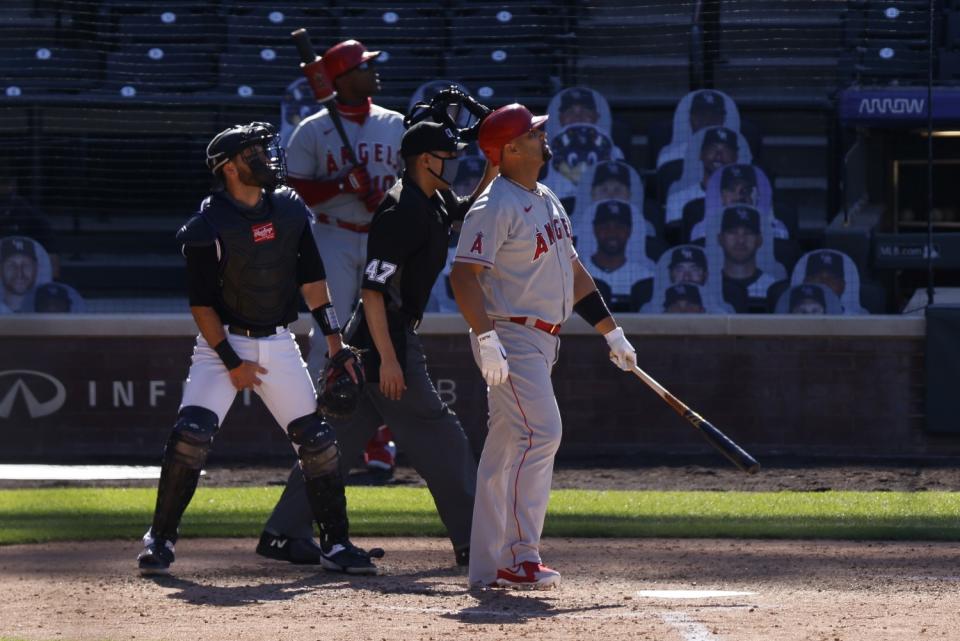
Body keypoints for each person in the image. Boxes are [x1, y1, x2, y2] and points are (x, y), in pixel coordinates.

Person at [136, 122, 379, 576]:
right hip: (221, 345)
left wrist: (334, 341)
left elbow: (313, 282)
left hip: (278, 341)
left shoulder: (289, 209)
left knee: (319, 443)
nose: (266, 159)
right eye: (253, 154)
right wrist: (232, 363)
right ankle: (160, 539)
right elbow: (202, 305)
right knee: (191, 435)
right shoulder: (207, 226)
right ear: (229, 168)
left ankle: (336, 545)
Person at [259, 121, 498, 568]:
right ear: (425, 159)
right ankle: (474, 541)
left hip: (376, 338)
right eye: (448, 155)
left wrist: (492, 168)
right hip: (383, 337)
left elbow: (462, 211)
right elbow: (372, 291)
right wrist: (388, 360)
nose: (455, 161)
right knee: (441, 435)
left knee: (336, 445)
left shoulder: (432, 197)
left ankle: (281, 533)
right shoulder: (400, 211)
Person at [449, 103, 637, 589]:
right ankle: (519, 555)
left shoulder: (547, 196)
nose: (541, 135)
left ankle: (488, 567)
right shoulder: (493, 205)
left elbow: (573, 272)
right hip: (510, 335)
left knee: (504, 451)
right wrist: (487, 339)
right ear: (509, 149)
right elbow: (463, 276)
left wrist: (610, 332)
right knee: (543, 434)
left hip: (543, 338)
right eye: (531, 132)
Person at [283, 39, 406, 476]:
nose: (373, 71)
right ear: (340, 78)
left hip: (381, 241)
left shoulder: (395, 124)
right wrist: (341, 186)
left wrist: (385, 196)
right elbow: (292, 192)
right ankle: (316, 441)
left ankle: (379, 444)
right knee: (326, 340)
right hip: (330, 237)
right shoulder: (314, 129)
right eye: (364, 66)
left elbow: (418, 184)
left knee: (383, 339)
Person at [583, 200, 654, 312]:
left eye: (619, 227)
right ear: (595, 229)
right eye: (605, 227)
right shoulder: (577, 271)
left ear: (629, 231)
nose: (612, 233)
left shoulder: (644, 276)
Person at [715, 205, 779, 311]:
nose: (740, 240)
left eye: (748, 233)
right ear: (720, 239)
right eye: (733, 232)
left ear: (759, 240)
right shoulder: (710, 287)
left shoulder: (772, 287)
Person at [1, 236, 45, 312]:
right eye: (11, 265)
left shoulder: (47, 313)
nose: (19, 274)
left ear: (36, 268)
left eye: (26, 265)